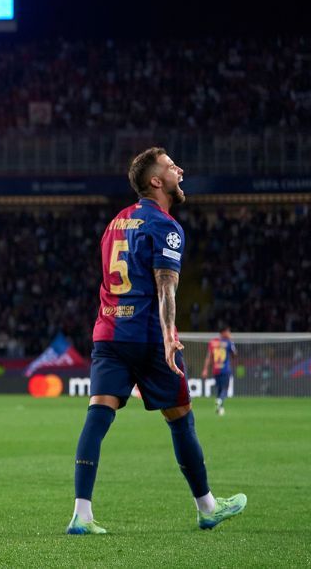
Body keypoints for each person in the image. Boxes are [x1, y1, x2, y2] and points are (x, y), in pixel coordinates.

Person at [68, 147, 246, 534]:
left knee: (98, 416)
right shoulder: (165, 226)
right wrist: (169, 335)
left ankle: (81, 515)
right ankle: (207, 507)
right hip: (148, 337)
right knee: (181, 418)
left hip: (109, 333)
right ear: (155, 181)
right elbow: (166, 286)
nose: (179, 169)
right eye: (170, 166)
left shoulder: (115, 223)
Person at [200, 326, 236, 416]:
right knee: (225, 389)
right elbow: (234, 354)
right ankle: (219, 401)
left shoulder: (213, 343)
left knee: (219, 389)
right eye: (228, 332)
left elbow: (209, 357)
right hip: (225, 369)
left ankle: (220, 409)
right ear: (223, 332)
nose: (229, 334)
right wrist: (232, 342)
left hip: (216, 370)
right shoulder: (228, 343)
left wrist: (205, 369)